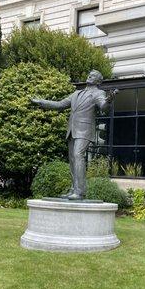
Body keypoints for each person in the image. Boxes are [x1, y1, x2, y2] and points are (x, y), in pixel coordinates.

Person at [31, 70, 117, 200]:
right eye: (89, 74)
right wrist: (41, 102)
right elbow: (59, 105)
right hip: (72, 130)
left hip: (85, 130)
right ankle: (73, 189)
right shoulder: (76, 93)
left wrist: (109, 100)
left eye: (93, 76)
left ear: (98, 81)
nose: (89, 76)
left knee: (78, 155)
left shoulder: (99, 93)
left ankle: (80, 191)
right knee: (72, 160)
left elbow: (103, 106)